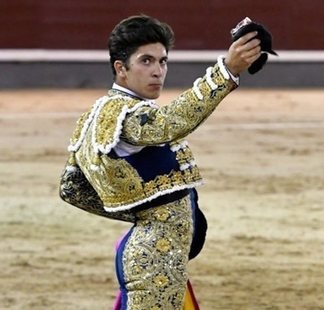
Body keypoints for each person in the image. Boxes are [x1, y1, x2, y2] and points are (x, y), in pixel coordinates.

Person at [63, 15, 261, 309]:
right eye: (146, 61)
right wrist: (227, 71)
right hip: (155, 257)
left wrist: (139, 210)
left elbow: (71, 189)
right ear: (121, 68)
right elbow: (170, 122)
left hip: (151, 250)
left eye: (163, 61)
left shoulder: (97, 113)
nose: (158, 71)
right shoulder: (125, 115)